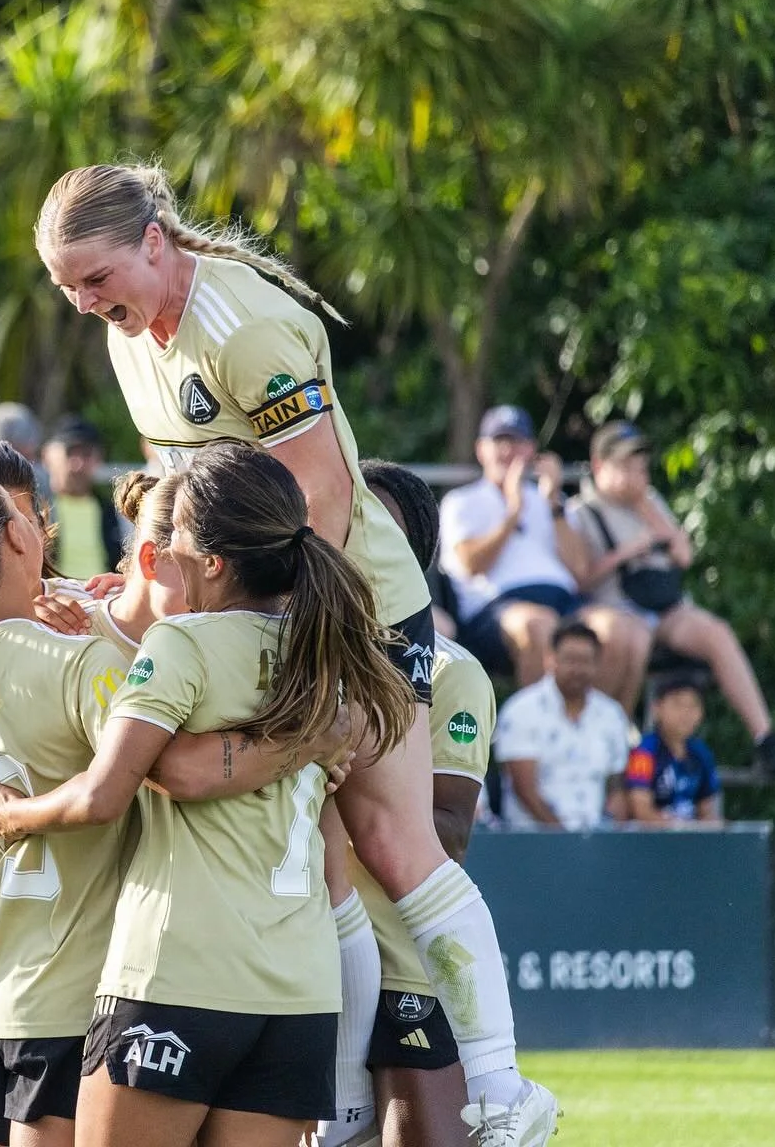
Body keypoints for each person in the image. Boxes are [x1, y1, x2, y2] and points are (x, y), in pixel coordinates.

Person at [36, 164, 557, 1143]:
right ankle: (349, 1111)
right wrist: (130, 597)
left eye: (94, 277)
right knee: (327, 862)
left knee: (393, 845)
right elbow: (181, 500)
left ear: (155, 240)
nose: (84, 303)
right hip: (261, 609)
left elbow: (318, 498)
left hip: (355, 612)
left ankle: (501, 1084)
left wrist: (256, 639)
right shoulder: (130, 338)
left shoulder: (245, 327)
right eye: (66, 288)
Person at [0, 453, 352, 1147]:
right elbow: (166, 768)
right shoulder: (319, 650)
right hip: (204, 980)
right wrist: (309, 737)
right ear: (22, 537)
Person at [0, 442, 415, 1147]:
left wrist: (12, 814)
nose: (163, 555)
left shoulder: (183, 643)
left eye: (173, 540)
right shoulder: (329, 647)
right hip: (297, 993)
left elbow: (111, 793)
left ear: (212, 561)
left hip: (178, 972)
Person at [355, 460, 498, 1147]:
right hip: (294, 959)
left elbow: (449, 830)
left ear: (412, 553)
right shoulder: (291, 652)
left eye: (374, 519)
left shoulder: (448, 672)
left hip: (399, 966)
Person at [572, 419, 775, 773]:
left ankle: (764, 737)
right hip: (614, 606)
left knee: (716, 632)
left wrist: (644, 507)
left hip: (663, 608)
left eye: (640, 466)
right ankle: (614, 739)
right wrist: (628, 551)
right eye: (625, 466)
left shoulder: (650, 502)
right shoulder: (581, 512)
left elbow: (684, 555)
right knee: (634, 638)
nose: (635, 474)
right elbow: (580, 578)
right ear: (600, 465)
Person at [437, 406, 647, 703]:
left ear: (532, 451)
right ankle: (540, 735)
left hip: (563, 601)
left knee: (622, 631)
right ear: (481, 449)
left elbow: (581, 572)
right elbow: (471, 565)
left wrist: (553, 504)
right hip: (496, 607)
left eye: (518, 442)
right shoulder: (462, 501)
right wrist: (512, 511)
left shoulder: (551, 500)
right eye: (500, 441)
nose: (509, 451)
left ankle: (599, 738)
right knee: (538, 625)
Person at [492, 619, 632, 830]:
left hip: (596, 841)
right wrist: (565, 840)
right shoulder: (521, 710)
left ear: (597, 663)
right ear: (551, 659)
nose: (578, 668)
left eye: (586, 660)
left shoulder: (611, 714)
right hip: (533, 841)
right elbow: (524, 789)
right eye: (570, 660)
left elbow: (616, 787)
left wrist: (610, 838)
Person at [625, 676, 722, 825]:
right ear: (657, 708)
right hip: (652, 840)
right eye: (677, 705)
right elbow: (641, 810)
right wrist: (678, 828)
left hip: (692, 839)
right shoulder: (643, 753)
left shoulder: (702, 753)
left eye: (693, 706)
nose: (686, 713)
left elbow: (707, 808)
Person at [42, 415, 124, 581]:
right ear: (48, 455)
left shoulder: (113, 510)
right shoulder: (38, 508)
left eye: (86, 454)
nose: (78, 463)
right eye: (70, 452)